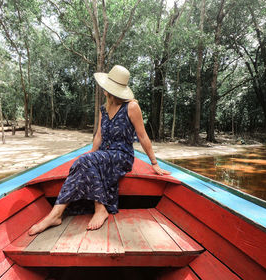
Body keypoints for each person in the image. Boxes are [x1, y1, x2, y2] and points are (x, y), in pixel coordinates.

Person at [28, 65, 170, 235]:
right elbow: (99, 136)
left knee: (86, 161)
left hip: (121, 155)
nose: (104, 89)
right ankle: (58, 214)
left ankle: (90, 211)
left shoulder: (132, 107)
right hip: (103, 153)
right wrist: (92, 154)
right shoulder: (104, 109)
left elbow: (143, 136)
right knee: (83, 161)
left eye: (107, 87)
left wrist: (154, 163)